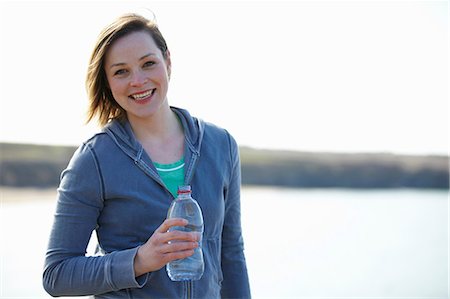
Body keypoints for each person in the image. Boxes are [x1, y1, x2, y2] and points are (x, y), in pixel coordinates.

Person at [43, 13, 251, 299]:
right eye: (121, 71)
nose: (138, 81)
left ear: (167, 61)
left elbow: (231, 254)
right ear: (107, 81)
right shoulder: (94, 160)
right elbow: (57, 275)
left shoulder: (221, 145)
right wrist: (140, 260)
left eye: (148, 63)